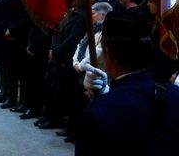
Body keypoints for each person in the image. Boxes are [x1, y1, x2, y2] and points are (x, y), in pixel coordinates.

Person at [76, 16, 179, 155]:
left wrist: (102, 101)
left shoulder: (97, 112)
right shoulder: (174, 95)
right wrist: (105, 93)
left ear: (107, 54)